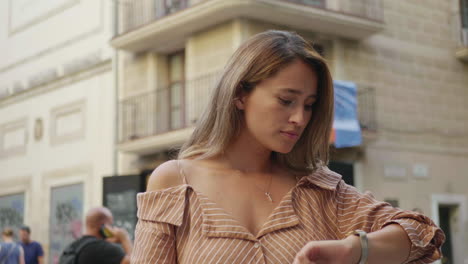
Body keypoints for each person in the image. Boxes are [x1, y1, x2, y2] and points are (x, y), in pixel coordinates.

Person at [131, 30, 445, 263]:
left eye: (309, 105)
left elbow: (422, 234)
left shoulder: (319, 188)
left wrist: (354, 249)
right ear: (240, 94)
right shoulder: (175, 183)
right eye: (286, 101)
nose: (300, 118)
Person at [58, 207, 132, 264]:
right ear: (105, 226)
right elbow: (136, 262)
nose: (112, 228)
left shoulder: (71, 248)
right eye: (111, 225)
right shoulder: (104, 249)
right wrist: (124, 239)